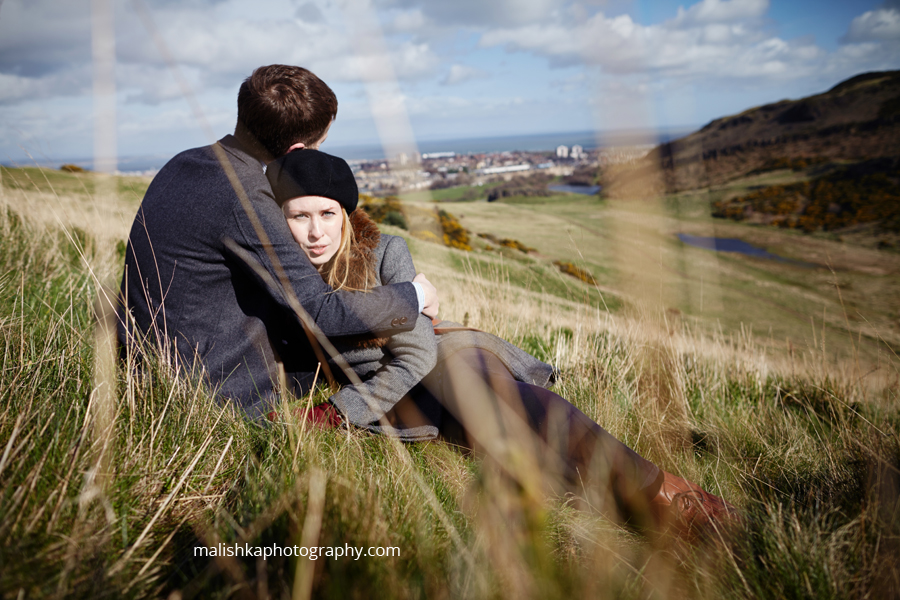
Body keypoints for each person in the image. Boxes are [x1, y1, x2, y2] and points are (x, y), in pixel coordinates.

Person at [265, 149, 738, 540]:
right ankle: (637, 515)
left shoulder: (385, 252)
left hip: (444, 354)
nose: (315, 232)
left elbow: (418, 353)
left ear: (346, 215)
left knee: (485, 394)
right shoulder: (280, 274)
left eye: (327, 213)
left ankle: (671, 496)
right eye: (299, 216)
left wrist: (334, 412)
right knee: (508, 449)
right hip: (404, 396)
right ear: (279, 218)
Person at [117, 65, 439, 420]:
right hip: (212, 390)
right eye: (320, 145)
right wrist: (416, 295)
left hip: (146, 368)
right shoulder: (245, 196)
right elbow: (319, 313)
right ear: (297, 149)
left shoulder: (183, 162)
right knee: (414, 377)